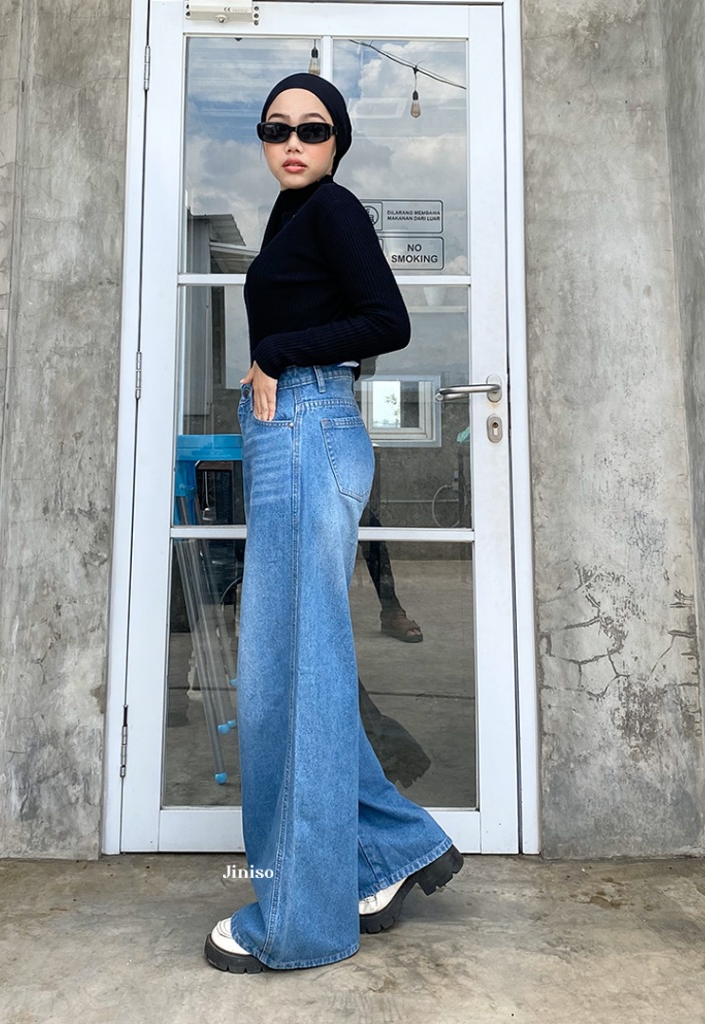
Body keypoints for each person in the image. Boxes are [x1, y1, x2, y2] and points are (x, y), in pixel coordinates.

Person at [203, 73, 462, 973]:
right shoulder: (291, 216)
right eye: (276, 128)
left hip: (310, 431)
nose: (292, 143)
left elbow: (386, 320)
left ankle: (300, 922)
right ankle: (393, 850)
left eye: (312, 130)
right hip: (295, 436)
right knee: (295, 668)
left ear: (338, 141)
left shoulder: (334, 209)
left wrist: (277, 352)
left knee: (293, 677)